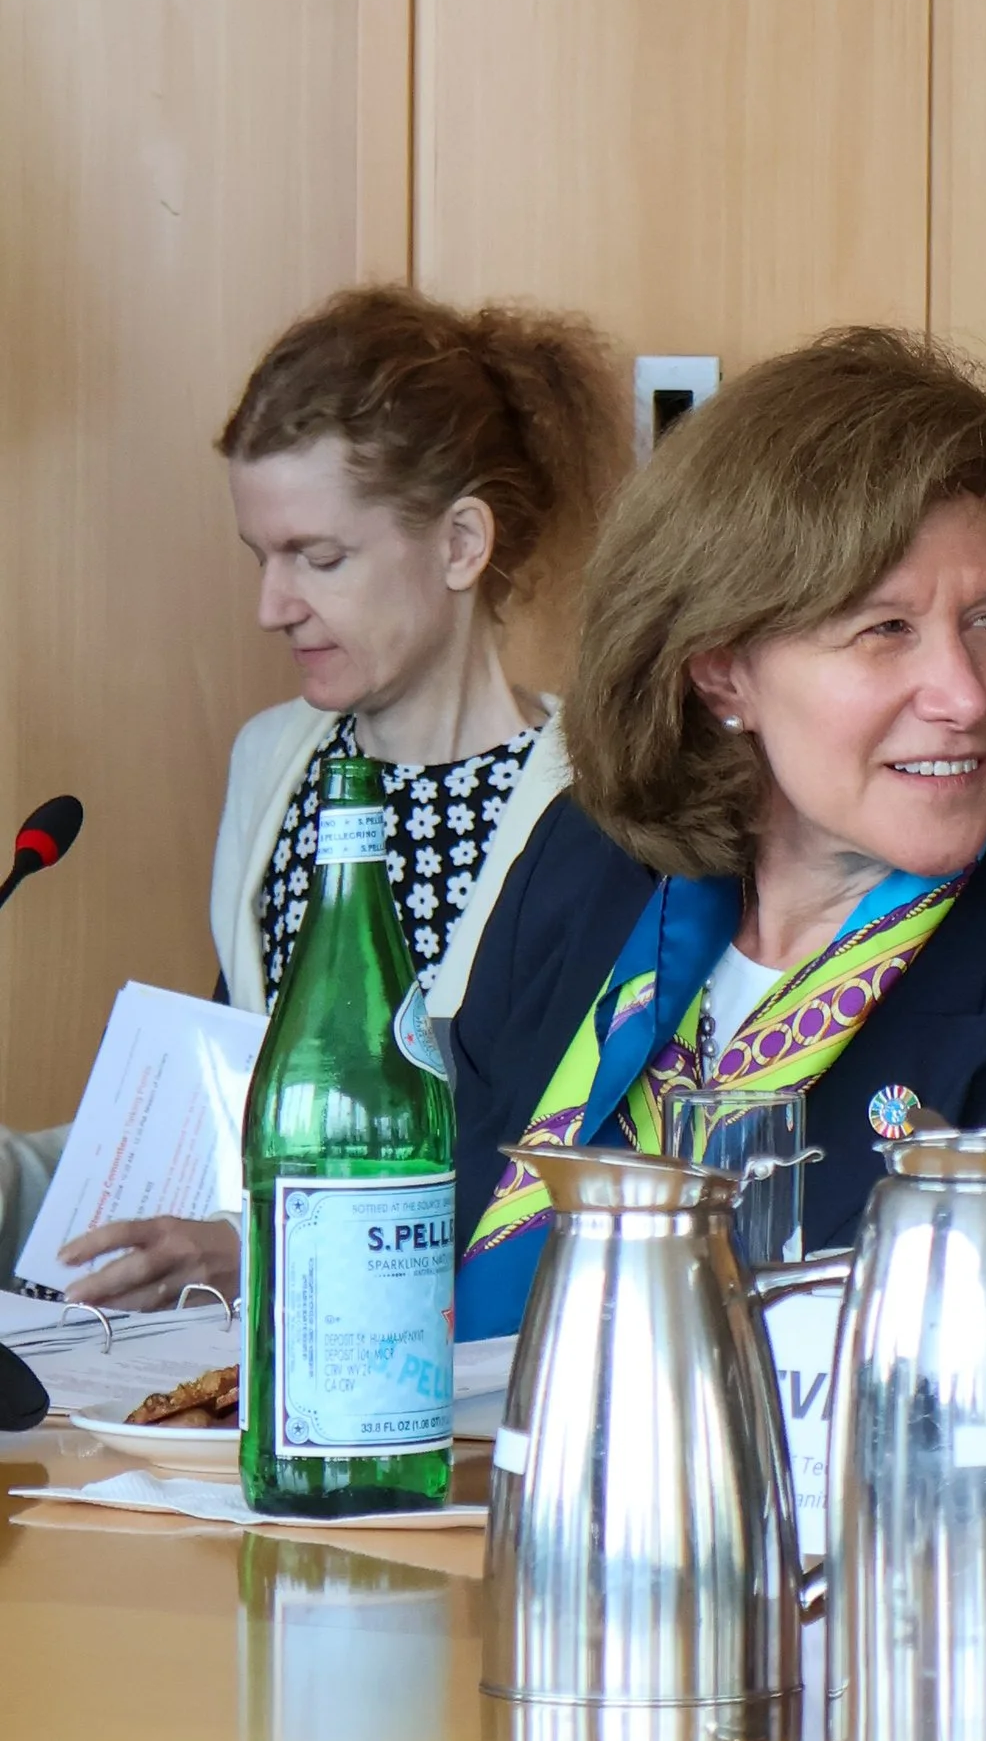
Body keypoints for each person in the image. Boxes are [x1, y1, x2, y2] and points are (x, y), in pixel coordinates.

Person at [449, 327, 986, 1338]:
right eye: (883, 628)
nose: (961, 695)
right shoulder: (585, 865)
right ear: (721, 670)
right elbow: (435, 1217)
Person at [5, 286, 627, 1307]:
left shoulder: (595, 813)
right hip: (237, 1387)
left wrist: (271, 1256)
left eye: (319, 559)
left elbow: (541, 1190)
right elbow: (218, 1133)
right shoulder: (274, 763)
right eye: (262, 557)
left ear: (463, 544)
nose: (270, 606)